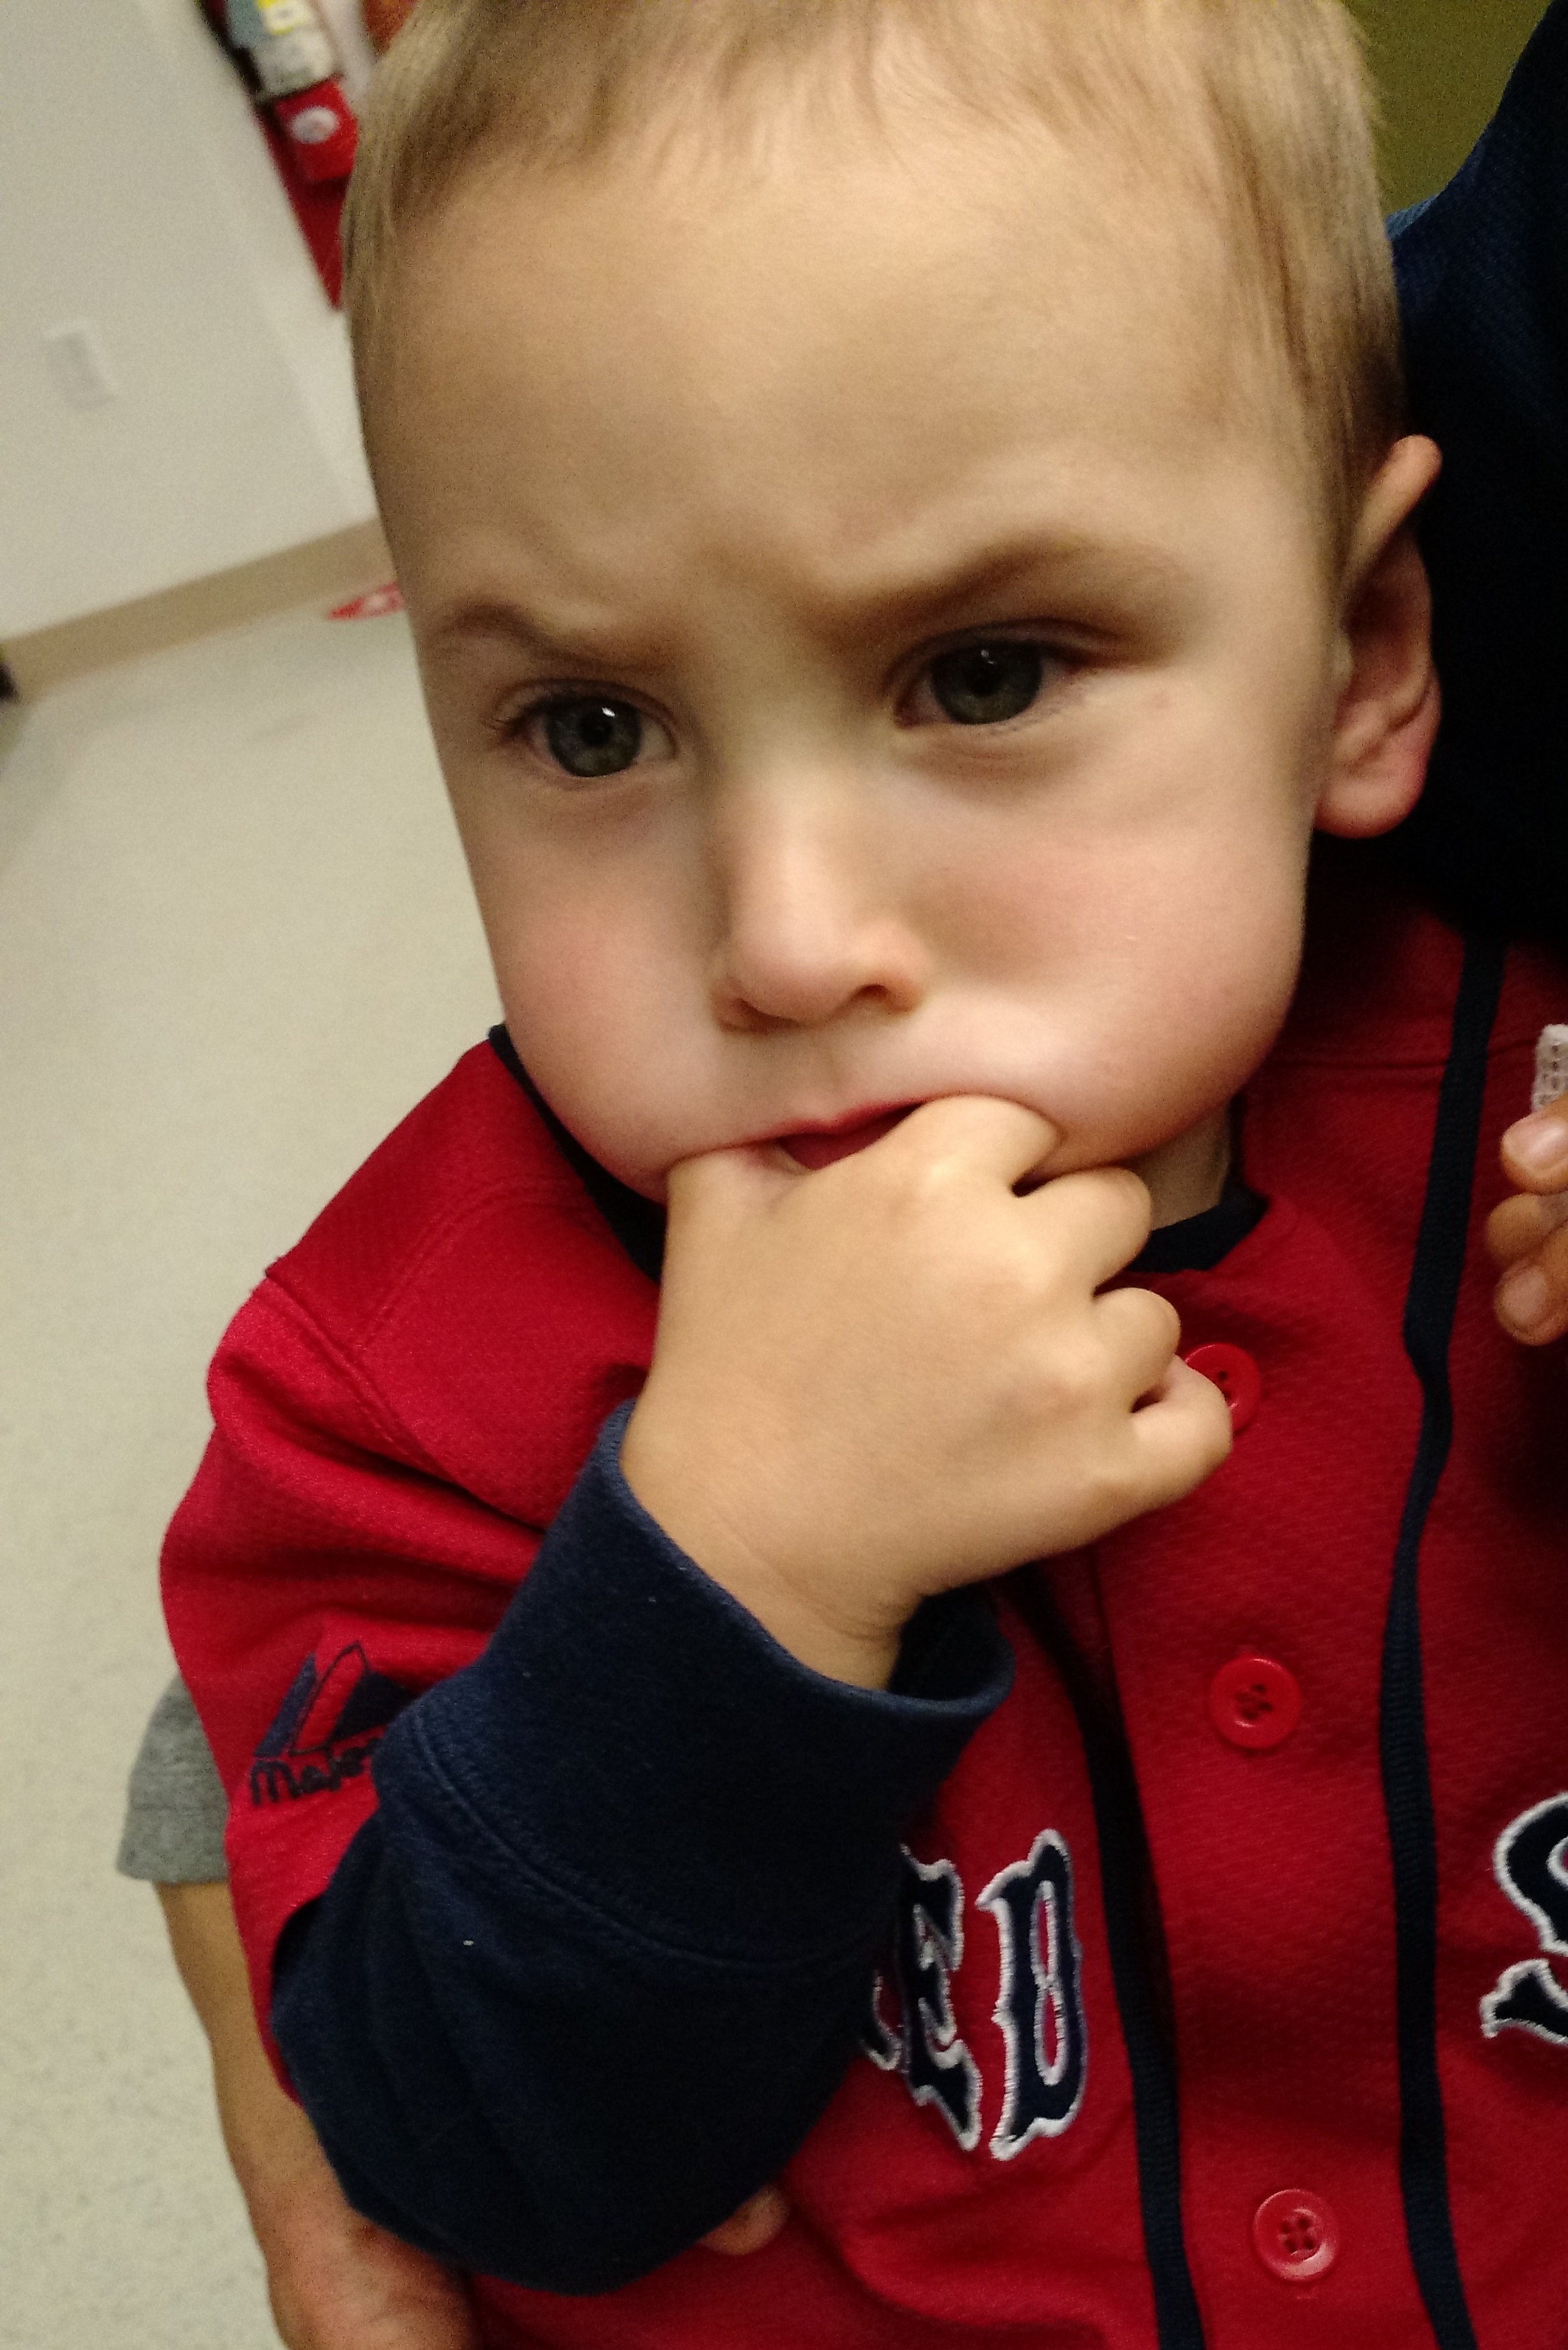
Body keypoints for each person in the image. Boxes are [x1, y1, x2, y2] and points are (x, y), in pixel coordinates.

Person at [143, 1, 1568, 2342]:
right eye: (589, 726)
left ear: (1357, 657)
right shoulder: (383, 1390)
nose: (785, 937)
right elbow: (448, 2154)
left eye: (982, 675)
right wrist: (734, 1574)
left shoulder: (1522, 1128)